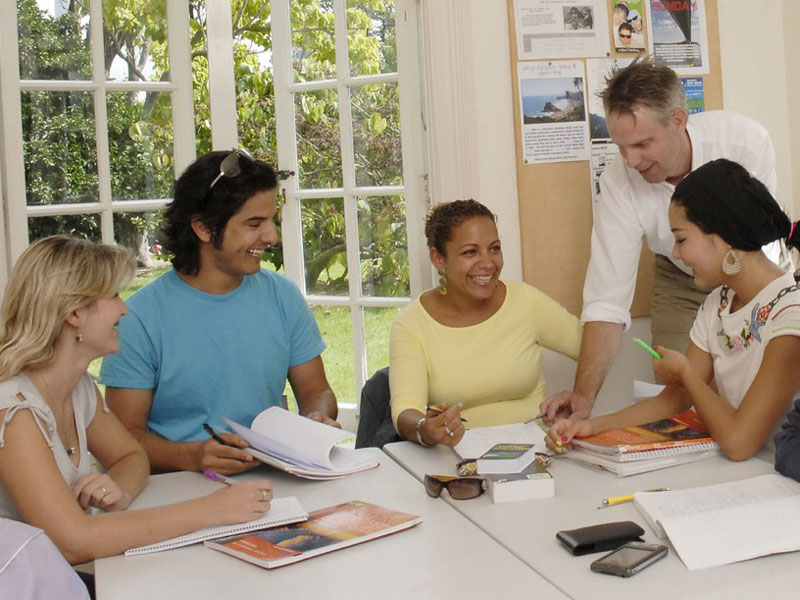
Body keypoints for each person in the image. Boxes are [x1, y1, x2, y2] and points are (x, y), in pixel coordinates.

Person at [0, 236, 273, 566]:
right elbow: (71, 541)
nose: (124, 308)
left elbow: (132, 456)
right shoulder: (13, 410)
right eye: (114, 295)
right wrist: (212, 509)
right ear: (74, 313)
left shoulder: (78, 388)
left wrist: (117, 491)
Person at [540, 59, 778, 423]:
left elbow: (756, 243)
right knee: (680, 397)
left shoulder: (743, 140)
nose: (631, 161)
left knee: (753, 391)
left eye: (641, 144)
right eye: (621, 147)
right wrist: (584, 400)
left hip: (748, 269)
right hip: (678, 274)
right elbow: (608, 300)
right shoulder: (619, 180)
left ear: (678, 120)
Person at [100, 150, 339, 476]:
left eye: (272, 221)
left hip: (272, 484)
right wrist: (192, 456)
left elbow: (316, 392)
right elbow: (121, 438)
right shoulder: (138, 317)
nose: (271, 237)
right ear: (202, 228)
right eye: (254, 224)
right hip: (175, 490)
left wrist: (317, 419)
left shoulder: (282, 295)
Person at [546, 160, 800, 461]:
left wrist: (686, 374)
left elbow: (739, 443)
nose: (676, 253)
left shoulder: (791, 313)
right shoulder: (717, 304)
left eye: (681, 239)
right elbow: (675, 399)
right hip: (747, 477)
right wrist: (590, 426)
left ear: (722, 237)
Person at [390, 200, 582, 448]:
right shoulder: (411, 324)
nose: (488, 263)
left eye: (494, 248)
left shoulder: (525, 301)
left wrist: (580, 395)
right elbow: (405, 411)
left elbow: (592, 347)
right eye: (470, 252)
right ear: (438, 259)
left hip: (536, 452)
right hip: (457, 464)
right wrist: (425, 429)